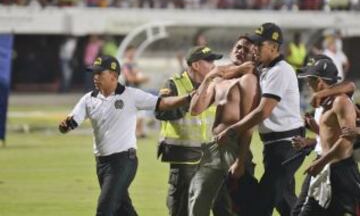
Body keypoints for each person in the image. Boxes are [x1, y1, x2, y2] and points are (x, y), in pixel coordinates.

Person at [58, 55, 193, 216]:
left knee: (105, 208)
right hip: (102, 164)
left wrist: (187, 99)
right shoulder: (88, 99)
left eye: (100, 73)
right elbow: (71, 122)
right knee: (123, 210)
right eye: (94, 73)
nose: (95, 77)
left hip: (123, 162)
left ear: (114, 76)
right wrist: (65, 127)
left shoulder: (131, 95)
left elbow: (162, 103)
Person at [216, 23, 305, 216]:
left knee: (262, 204)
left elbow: (262, 112)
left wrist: (232, 130)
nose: (254, 48)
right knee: (284, 201)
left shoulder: (280, 71)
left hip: (288, 145)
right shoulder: (264, 69)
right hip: (274, 146)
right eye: (254, 44)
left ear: (273, 47)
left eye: (259, 44)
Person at [188, 37, 258, 216]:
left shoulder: (248, 79)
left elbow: (248, 123)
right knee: (198, 196)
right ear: (231, 49)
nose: (240, 50)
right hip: (213, 147)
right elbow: (195, 109)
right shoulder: (218, 80)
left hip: (233, 148)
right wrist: (208, 77)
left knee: (234, 206)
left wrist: (241, 160)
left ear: (253, 55)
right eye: (238, 46)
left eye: (246, 49)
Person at [155, 45, 224, 216]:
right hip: (183, 157)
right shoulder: (173, 83)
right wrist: (191, 101)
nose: (213, 65)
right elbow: (160, 111)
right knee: (181, 209)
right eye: (209, 61)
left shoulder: (214, 85)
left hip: (209, 158)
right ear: (195, 65)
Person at [297, 58, 360, 216]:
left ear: (319, 81)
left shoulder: (340, 101)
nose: (307, 85)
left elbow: (346, 140)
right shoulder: (324, 103)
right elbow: (332, 136)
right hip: (327, 166)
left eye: (310, 80)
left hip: (341, 170)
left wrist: (321, 162)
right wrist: (316, 131)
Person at [122, 45, 150, 138]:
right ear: (126, 53)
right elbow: (129, 78)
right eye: (131, 52)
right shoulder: (126, 65)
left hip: (137, 90)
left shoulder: (134, 64)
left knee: (141, 111)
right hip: (130, 91)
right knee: (135, 112)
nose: (133, 54)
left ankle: (140, 132)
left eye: (134, 52)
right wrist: (142, 79)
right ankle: (135, 132)